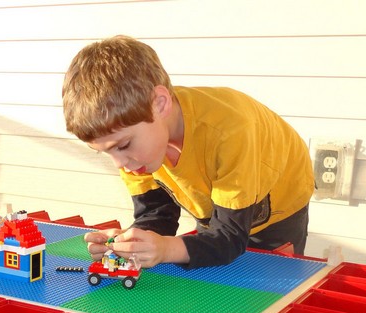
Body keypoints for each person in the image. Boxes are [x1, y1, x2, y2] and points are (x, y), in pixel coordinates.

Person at [62, 35, 315, 269]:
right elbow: (156, 216)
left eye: (123, 146)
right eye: (105, 152)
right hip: (217, 203)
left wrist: (166, 249)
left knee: (266, 284)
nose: (120, 163)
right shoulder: (136, 144)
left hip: (280, 204)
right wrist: (131, 243)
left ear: (159, 105)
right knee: (211, 263)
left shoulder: (229, 130)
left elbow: (228, 237)